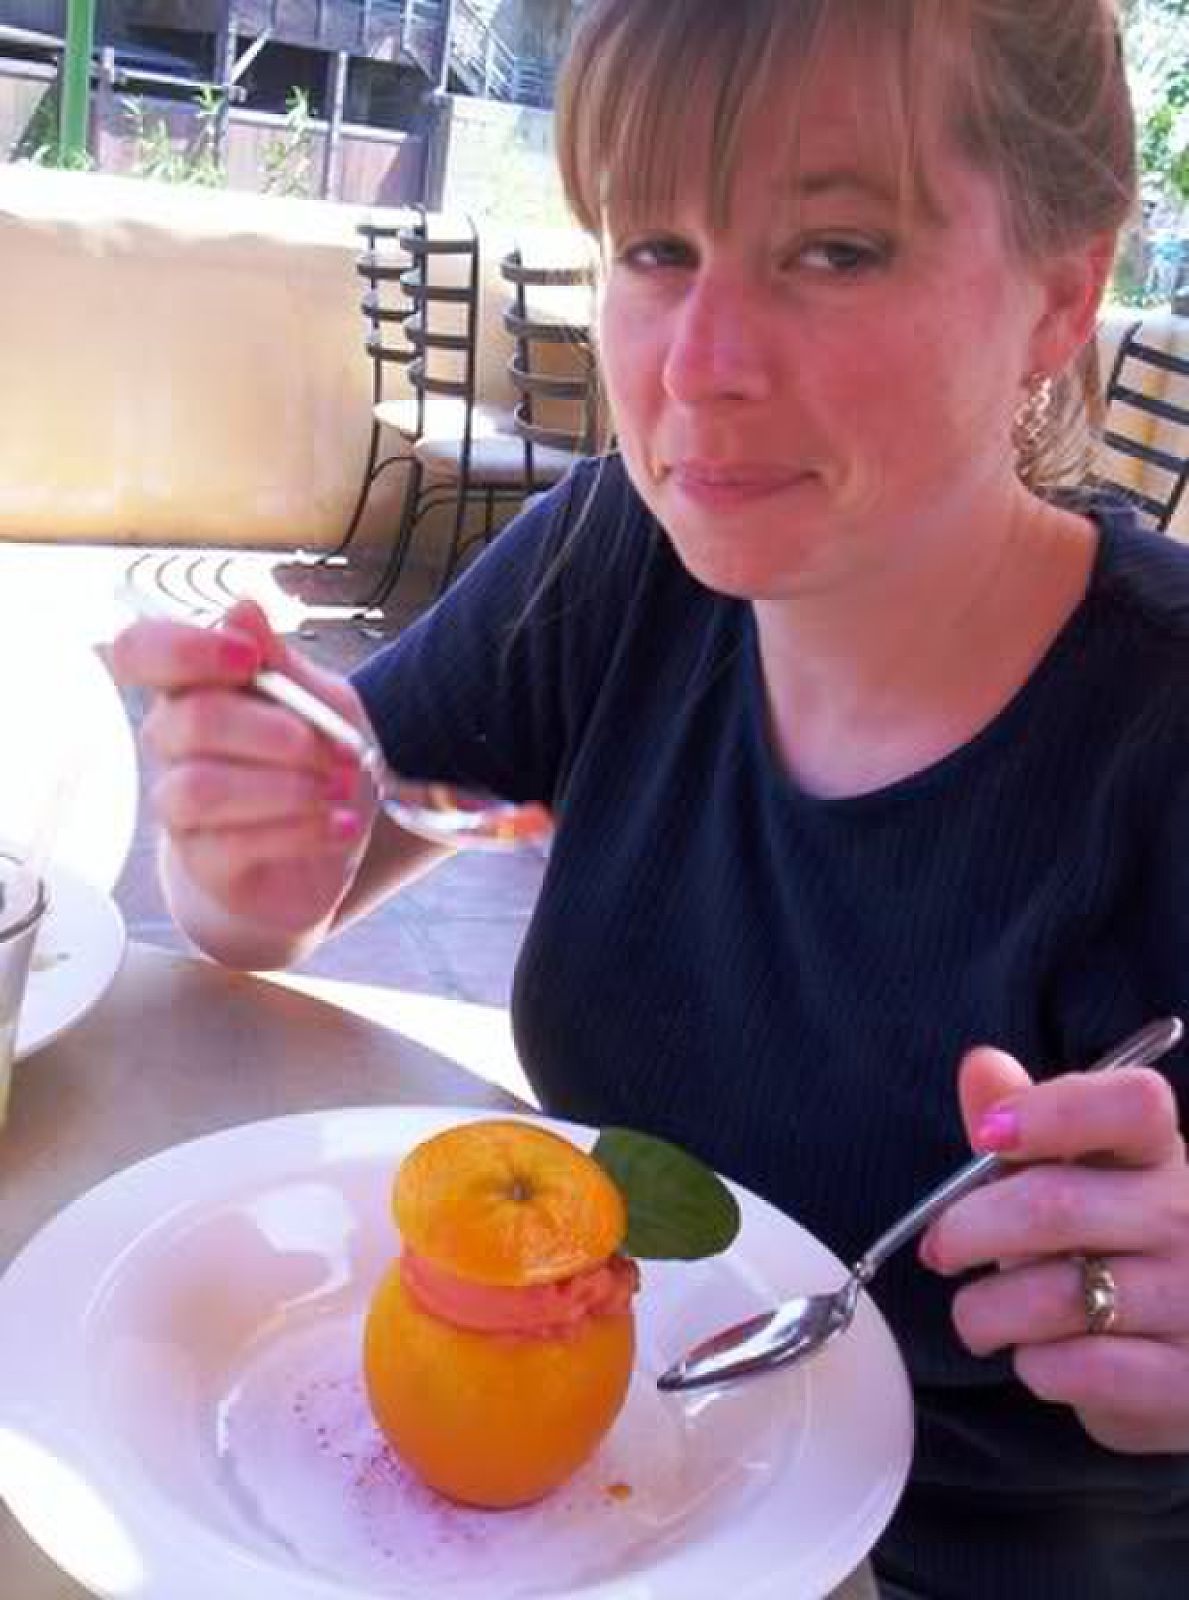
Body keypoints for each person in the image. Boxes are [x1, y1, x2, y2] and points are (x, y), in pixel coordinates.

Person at [112, 1, 1189, 1593]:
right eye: (656, 247)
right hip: (588, 1509)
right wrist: (247, 863)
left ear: (1060, 292)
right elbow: (321, 862)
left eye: (835, 250)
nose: (695, 370)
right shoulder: (618, 556)